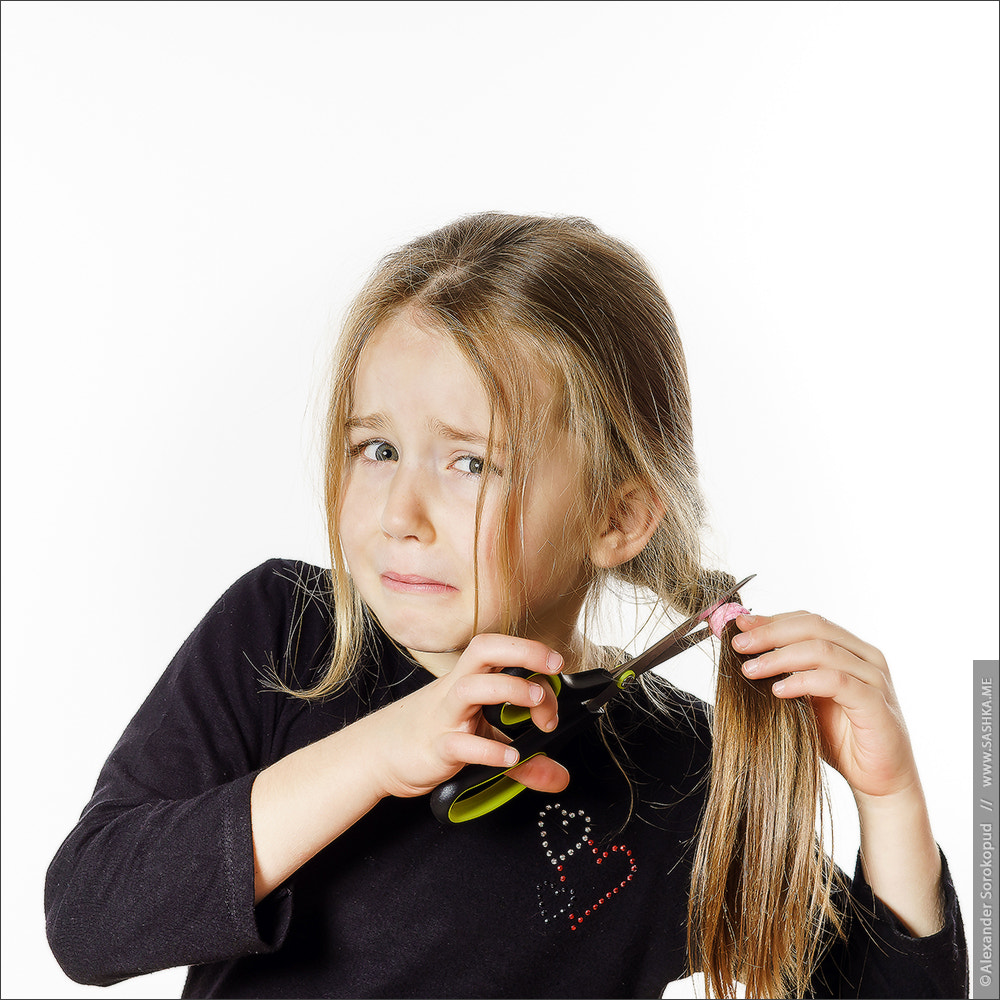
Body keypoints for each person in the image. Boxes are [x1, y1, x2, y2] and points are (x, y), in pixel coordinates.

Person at [44, 213, 967, 998]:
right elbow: (88, 920)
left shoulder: (684, 769)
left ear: (618, 517)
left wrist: (890, 801)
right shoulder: (281, 633)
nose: (399, 516)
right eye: (376, 449)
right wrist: (377, 754)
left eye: (470, 462)